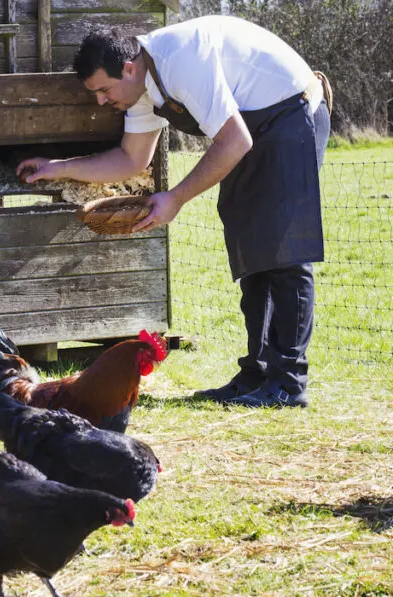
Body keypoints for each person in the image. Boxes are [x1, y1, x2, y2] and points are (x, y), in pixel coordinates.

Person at [17, 15, 330, 408]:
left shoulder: (182, 59)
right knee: (253, 253)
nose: (101, 101)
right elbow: (131, 159)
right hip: (251, 132)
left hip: (290, 116)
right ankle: (257, 373)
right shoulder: (142, 86)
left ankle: (289, 382)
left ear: (128, 68)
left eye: (103, 90)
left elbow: (233, 140)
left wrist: (177, 197)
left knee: (284, 255)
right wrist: (57, 167)